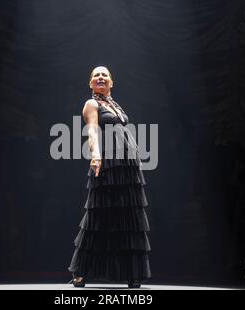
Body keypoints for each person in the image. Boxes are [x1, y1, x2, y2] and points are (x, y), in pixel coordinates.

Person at [68, 66, 151, 288]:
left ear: (111, 83)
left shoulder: (115, 105)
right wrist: (95, 155)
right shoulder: (91, 104)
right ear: (91, 83)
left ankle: (132, 273)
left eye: (105, 75)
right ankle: (81, 272)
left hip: (127, 165)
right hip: (107, 163)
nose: (101, 77)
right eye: (96, 75)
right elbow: (93, 130)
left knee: (128, 216)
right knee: (98, 214)